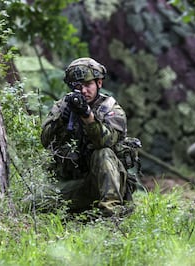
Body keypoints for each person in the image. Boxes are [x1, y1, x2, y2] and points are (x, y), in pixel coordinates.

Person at [41, 57, 136, 216]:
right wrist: (61, 121)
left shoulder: (111, 109)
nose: (84, 91)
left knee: (103, 153)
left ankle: (112, 214)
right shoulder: (63, 106)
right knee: (32, 203)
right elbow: (45, 140)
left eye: (88, 85)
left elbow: (105, 141)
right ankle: (79, 213)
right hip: (76, 185)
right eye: (78, 86)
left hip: (106, 184)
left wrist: (87, 116)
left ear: (99, 83)